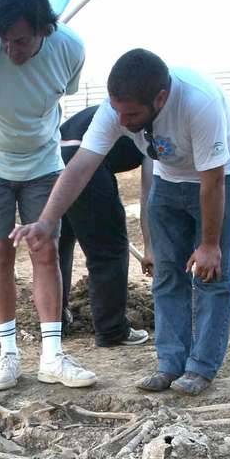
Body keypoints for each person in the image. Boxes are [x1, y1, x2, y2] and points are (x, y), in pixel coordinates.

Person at [15, 49, 230, 397]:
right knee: (168, 273)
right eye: (118, 112)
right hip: (170, 179)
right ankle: (170, 363)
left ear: (160, 98)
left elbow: (212, 182)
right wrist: (46, 221)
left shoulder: (199, 102)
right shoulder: (117, 109)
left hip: (221, 176)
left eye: (131, 114)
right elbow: (81, 166)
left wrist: (210, 245)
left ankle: (201, 366)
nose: (122, 122)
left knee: (212, 274)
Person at [0, 0, 93, 391]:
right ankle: (9, 354)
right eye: (4, 40)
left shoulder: (70, 48)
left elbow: (62, 93)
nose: (12, 49)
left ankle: (52, 356)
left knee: (44, 248)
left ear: (45, 29)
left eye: (22, 40)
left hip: (43, 159)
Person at [57, 103, 151, 347]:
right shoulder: (155, 128)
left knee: (60, 243)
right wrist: (150, 248)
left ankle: (54, 321)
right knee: (108, 248)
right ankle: (112, 329)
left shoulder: (121, 107)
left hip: (50, 156)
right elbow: (149, 194)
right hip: (83, 158)